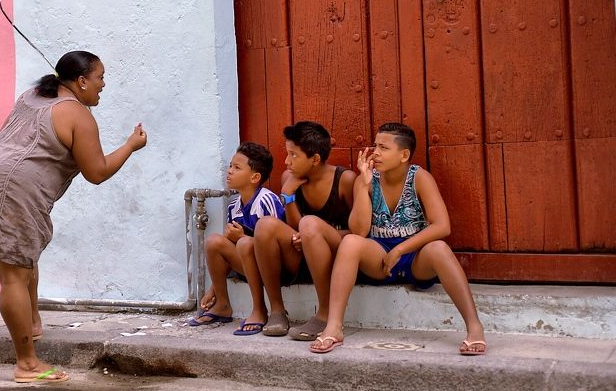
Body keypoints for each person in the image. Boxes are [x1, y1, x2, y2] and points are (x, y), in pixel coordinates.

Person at [0, 50, 147, 383]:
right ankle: (27, 364)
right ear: (81, 80)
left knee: (24, 256)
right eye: (100, 77)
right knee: (13, 275)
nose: (104, 85)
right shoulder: (77, 115)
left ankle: (31, 325)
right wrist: (130, 145)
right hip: (10, 187)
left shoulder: (34, 95)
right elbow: (97, 172)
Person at [309, 122, 486, 355]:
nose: (375, 152)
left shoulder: (419, 177)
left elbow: (442, 226)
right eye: (375, 146)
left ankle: (474, 327)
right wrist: (363, 185)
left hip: (414, 258)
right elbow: (359, 231)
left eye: (383, 147)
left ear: (404, 155)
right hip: (379, 257)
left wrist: (401, 249)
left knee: (440, 248)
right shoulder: (368, 179)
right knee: (350, 242)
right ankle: (334, 327)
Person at [253, 121, 356, 339]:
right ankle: (277, 311)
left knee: (309, 225)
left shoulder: (345, 180)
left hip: (337, 256)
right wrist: (288, 197)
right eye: (287, 153)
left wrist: (315, 234)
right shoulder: (288, 179)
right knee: (265, 225)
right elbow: (292, 227)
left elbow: (359, 231)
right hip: (302, 255)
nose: (286, 161)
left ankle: (325, 314)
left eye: (294, 155)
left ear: (315, 159)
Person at [189, 142, 286, 336]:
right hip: (246, 265)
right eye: (230, 166)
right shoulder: (234, 205)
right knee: (214, 241)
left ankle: (259, 310)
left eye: (237, 167)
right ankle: (222, 305)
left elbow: (276, 244)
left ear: (255, 177)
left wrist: (242, 236)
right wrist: (212, 291)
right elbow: (227, 253)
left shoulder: (267, 200)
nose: (229, 171)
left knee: (244, 242)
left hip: (272, 266)